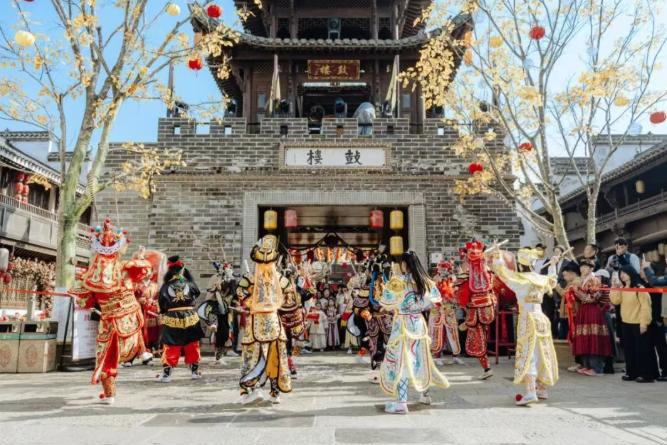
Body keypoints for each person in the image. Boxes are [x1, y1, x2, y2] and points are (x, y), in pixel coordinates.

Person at [69, 218, 149, 405]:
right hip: (130, 317)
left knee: (107, 358)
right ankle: (143, 351)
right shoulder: (126, 268)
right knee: (135, 326)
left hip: (109, 322)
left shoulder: (90, 276)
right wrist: (139, 257)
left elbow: (85, 301)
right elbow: (145, 271)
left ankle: (110, 394)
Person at [379, 252, 449, 414]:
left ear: (405, 264)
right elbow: (434, 302)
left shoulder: (398, 282)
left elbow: (386, 303)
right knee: (420, 358)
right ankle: (425, 395)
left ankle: (402, 402)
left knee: (402, 361)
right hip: (418, 323)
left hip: (402, 325)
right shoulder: (426, 282)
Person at [491, 247, 559, 406]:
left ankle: (530, 392)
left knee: (528, 355)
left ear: (520, 265)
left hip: (527, 319)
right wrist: (553, 265)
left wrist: (497, 256)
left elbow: (501, 272)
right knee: (541, 353)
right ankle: (542, 388)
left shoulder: (520, 280)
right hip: (541, 318)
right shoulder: (540, 279)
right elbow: (553, 280)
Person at [235, 235, 292, 404]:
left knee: (260, 356)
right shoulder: (278, 279)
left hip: (262, 321)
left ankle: (258, 391)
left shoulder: (251, 277)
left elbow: (240, 292)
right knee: (269, 356)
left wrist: (251, 302)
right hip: (269, 321)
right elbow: (290, 295)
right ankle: (270, 392)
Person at [157, 256, 205, 382]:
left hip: (172, 317)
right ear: (182, 269)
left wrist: (163, 312)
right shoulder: (189, 283)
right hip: (190, 316)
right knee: (192, 344)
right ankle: (195, 372)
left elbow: (162, 302)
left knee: (171, 345)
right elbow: (197, 292)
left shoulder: (166, 285)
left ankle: (167, 374)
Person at [456, 241, 496, 380]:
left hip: (474, 310)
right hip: (488, 307)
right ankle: (486, 367)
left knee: (478, 339)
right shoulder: (488, 268)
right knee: (481, 337)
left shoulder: (468, 270)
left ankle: (487, 368)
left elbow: (462, 291)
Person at [610, 265, 656, 383]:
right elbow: (615, 301)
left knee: (642, 349)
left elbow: (646, 307)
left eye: (624, 273)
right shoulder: (623, 288)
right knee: (629, 349)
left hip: (639, 323)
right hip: (626, 323)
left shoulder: (639, 288)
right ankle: (631, 372)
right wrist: (614, 287)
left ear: (631, 273)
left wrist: (644, 323)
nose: (622, 275)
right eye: (621, 273)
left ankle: (646, 374)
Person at [570, 260, 612, 376]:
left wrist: (577, 292)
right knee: (584, 337)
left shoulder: (594, 280)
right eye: (581, 267)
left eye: (585, 267)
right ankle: (587, 365)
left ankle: (596, 367)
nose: (582, 269)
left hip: (593, 311)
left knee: (593, 337)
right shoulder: (582, 281)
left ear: (591, 269)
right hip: (584, 310)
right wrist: (575, 293)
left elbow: (593, 298)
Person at [430, 261, 463, 365]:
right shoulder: (435, 279)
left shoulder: (452, 279)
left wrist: (455, 300)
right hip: (438, 310)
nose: (443, 271)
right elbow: (432, 295)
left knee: (453, 333)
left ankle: (455, 355)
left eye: (446, 269)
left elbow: (456, 293)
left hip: (449, 310)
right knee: (438, 333)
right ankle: (437, 356)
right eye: (441, 268)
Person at [640, 257, 667, 381]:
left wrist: (659, 320)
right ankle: (654, 373)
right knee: (649, 347)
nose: (641, 271)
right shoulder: (643, 285)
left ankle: (665, 372)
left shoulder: (657, 284)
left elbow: (659, 304)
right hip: (648, 320)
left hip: (657, 320)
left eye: (644, 269)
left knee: (661, 348)